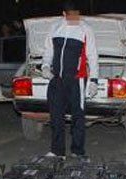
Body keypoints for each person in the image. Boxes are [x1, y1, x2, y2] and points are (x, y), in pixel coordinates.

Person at [42, 0, 98, 158]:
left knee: (78, 117)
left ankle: (77, 151)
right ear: (63, 14)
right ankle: (57, 151)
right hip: (57, 79)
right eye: (71, 16)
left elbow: (93, 56)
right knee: (56, 116)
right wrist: (45, 66)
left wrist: (93, 80)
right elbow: (48, 50)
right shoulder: (55, 27)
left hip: (76, 80)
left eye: (77, 15)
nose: (75, 19)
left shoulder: (85, 29)